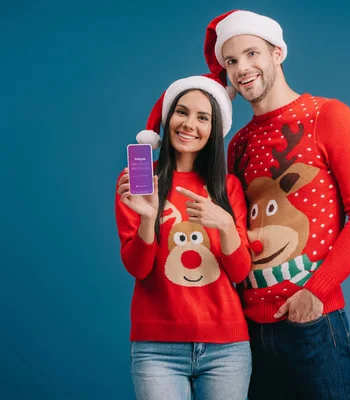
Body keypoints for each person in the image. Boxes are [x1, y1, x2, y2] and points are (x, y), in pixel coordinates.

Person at [202, 10, 350, 400]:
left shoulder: (328, 116)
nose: (242, 68)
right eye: (231, 61)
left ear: (278, 52)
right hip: (250, 331)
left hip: (313, 325)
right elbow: (230, 229)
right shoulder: (238, 144)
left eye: (252, 53)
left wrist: (315, 292)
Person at [114, 69, 252, 400]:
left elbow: (240, 271)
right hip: (156, 349)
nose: (190, 124)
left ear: (213, 129)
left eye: (203, 117)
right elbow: (138, 269)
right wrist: (148, 218)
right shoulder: (138, 181)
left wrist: (226, 225)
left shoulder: (228, 188)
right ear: (168, 118)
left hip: (226, 348)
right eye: (181, 112)